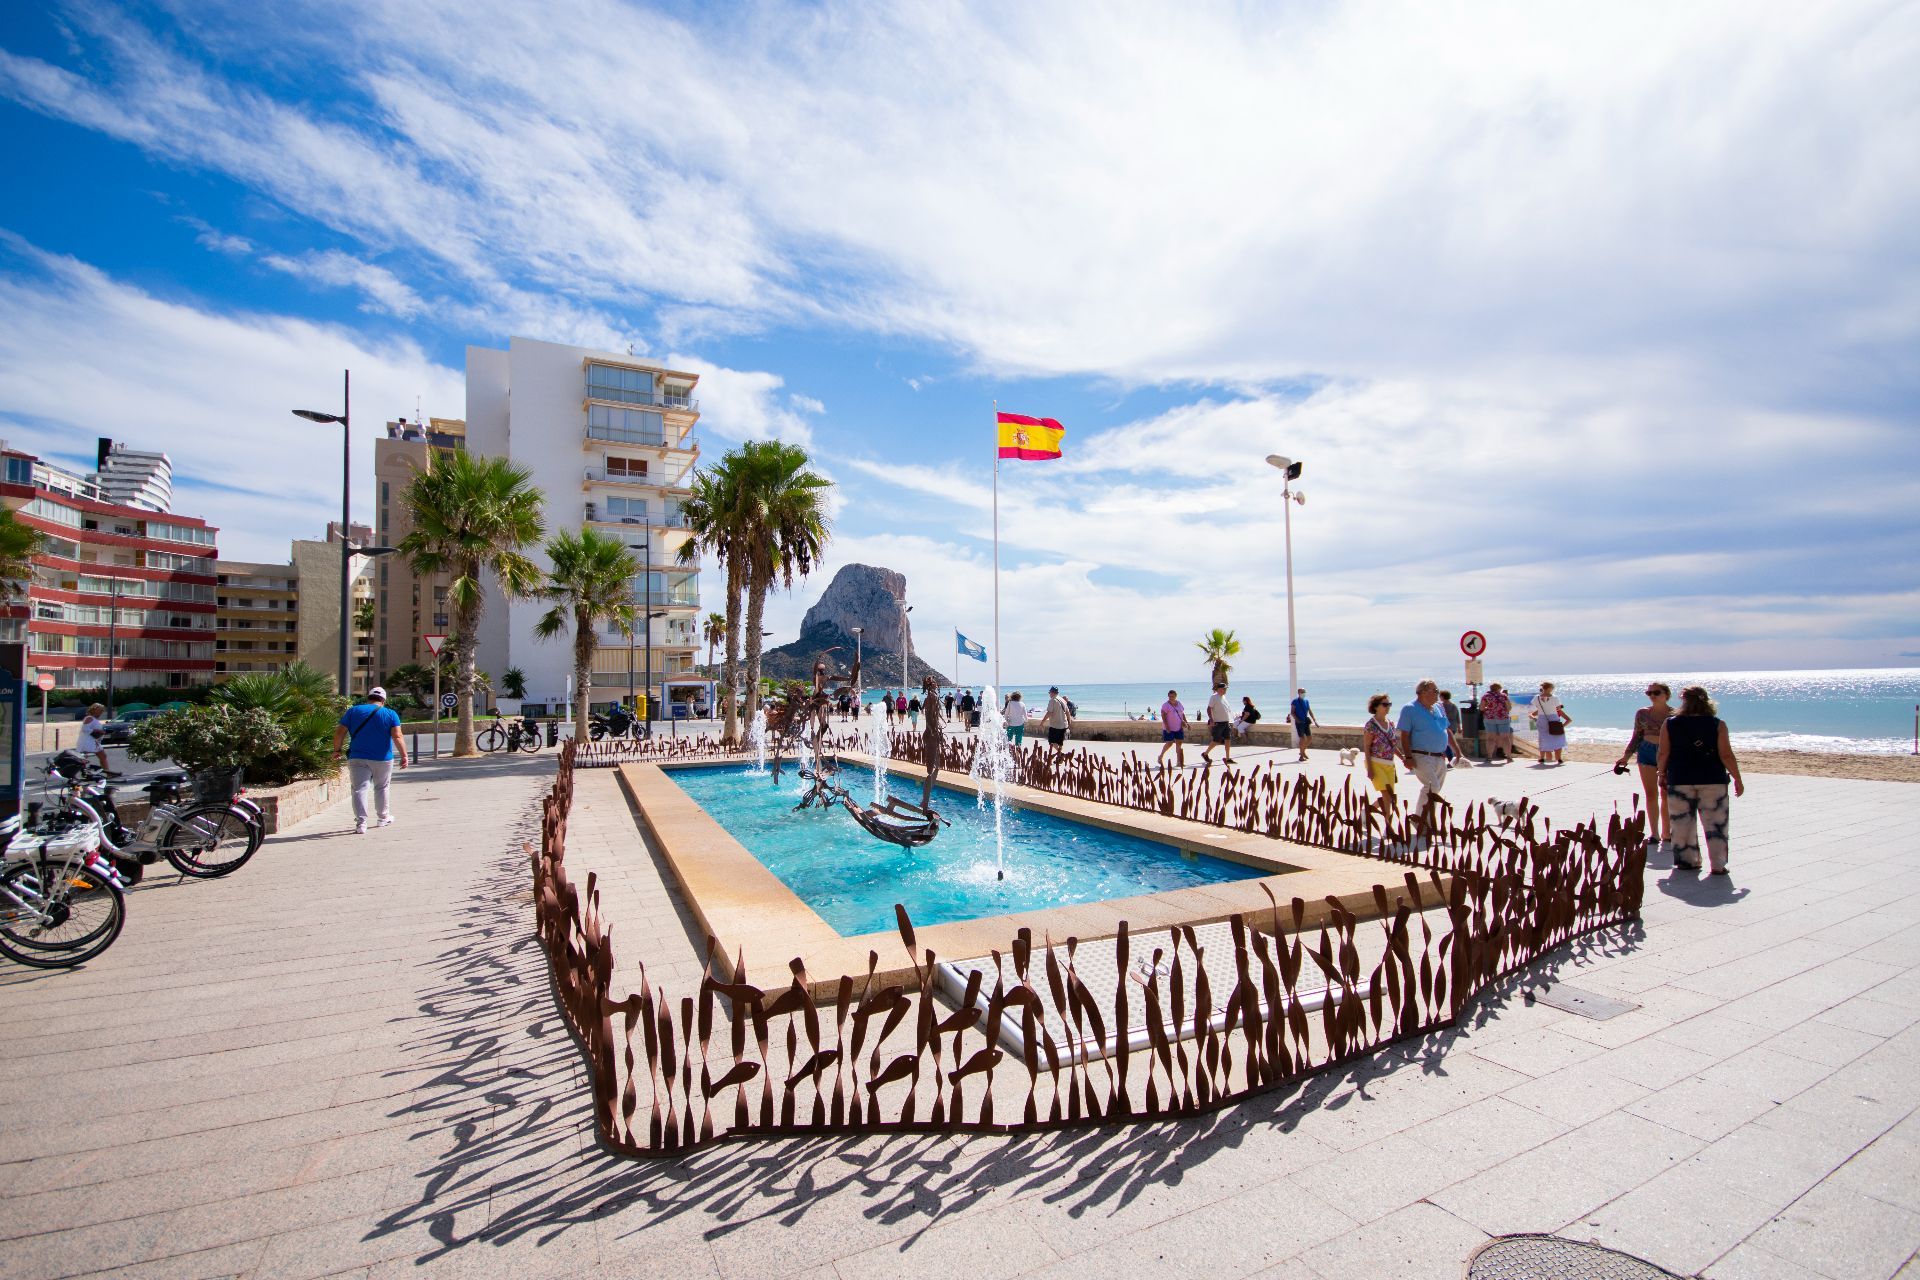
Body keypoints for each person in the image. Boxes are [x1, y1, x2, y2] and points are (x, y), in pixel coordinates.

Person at [1659, 686, 1745, 874]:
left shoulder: (1670, 723)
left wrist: (1662, 774)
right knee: (1716, 824)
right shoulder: (1717, 724)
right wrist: (1737, 778)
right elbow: (1726, 755)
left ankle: (1687, 860)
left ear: (1684, 702)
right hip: (1712, 778)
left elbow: (1664, 752)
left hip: (1680, 777)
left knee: (1682, 822)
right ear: (1707, 701)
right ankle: (1718, 864)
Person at [333, 686, 408, 835]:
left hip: (357, 756)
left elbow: (340, 732)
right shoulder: (390, 714)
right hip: (383, 758)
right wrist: (404, 755)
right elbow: (397, 736)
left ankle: (361, 824)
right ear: (384, 700)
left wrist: (337, 750)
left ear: (369, 698)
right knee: (381, 787)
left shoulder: (353, 711)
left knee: (359, 789)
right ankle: (383, 818)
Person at [1617, 682, 1675, 850]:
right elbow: (1637, 736)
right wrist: (1626, 756)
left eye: (1656, 692)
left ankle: (1667, 832)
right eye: (1649, 693)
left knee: (1666, 794)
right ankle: (1654, 833)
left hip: (1667, 754)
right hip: (1646, 751)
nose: (1652, 696)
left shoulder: (1675, 715)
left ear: (1666, 694)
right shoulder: (1642, 713)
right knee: (1651, 794)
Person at [1397, 679, 1469, 815]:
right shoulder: (1409, 709)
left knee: (1435, 791)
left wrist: (1457, 751)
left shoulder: (1438, 707)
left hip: (1439, 756)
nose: (1437, 693)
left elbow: (1446, 730)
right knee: (1432, 787)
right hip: (1421, 755)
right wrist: (1408, 757)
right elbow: (1404, 735)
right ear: (1423, 692)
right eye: (1435, 691)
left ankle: (1427, 821)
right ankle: (1419, 819)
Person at [1360, 693, 1400, 821]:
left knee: (1389, 796)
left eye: (1389, 704)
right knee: (1386, 794)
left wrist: (1403, 757)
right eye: (1385, 704)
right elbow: (1366, 746)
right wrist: (1370, 768)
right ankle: (1388, 826)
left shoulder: (1391, 724)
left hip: (1389, 764)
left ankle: (1366, 812)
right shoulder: (1371, 725)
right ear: (1376, 707)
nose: (1388, 707)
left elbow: (1393, 745)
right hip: (1375, 762)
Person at [1530, 681, 1570, 764]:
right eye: (1552, 688)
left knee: (1543, 738)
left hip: (1541, 719)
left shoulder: (1536, 698)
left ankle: (1541, 758)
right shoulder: (1555, 698)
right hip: (1553, 718)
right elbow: (1558, 708)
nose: (1553, 690)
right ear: (1549, 688)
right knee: (1557, 738)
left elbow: (1537, 707)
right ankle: (1558, 758)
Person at [77, 703, 117, 776]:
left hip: (94, 742)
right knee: (83, 758)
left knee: (102, 756)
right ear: (94, 710)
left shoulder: (93, 719)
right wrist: (98, 731)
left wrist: (101, 732)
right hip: (88, 741)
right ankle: (85, 773)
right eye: (100, 710)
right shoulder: (89, 718)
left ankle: (108, 773)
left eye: (102, 711)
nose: (101, 712)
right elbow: (85, 729)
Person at [1200, 683, 1234, 765]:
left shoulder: (1223, 697)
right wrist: (1211, 719)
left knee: (1228, 739)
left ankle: (1228, 758)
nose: (1225, 690)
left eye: (1226, 689)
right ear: (1218, 689)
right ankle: (1205, 754)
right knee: (1216, 740)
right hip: (1218, 722)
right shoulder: (1214, 697)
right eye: (1223, 688)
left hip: (1226, 722)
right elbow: (1209, 709)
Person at [1480, 682, 1514, 762]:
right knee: (1505, 738)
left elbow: (1481, 708)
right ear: (1499, 688)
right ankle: (1509, 757)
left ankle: (1489, 756)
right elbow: (1509, 708)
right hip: (1503, 718)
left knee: (1490, 738)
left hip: (1489, 718)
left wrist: (1488, 708)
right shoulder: (1503, 696)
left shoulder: (1486, 696)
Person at [1157, 690, 1187, 767]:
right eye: (1170, 696)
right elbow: (1163, 716)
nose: (1171, 698)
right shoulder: (1165, 705)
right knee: (1169, 743)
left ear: (1176, 696)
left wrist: (1186, 722)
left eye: (1173, 696)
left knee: (1179, 744)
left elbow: (1182, 714)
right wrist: (1167, 726)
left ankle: (1179, 762)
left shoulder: (1179, 703)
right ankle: (1160, 756)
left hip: (1179, 727)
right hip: (1169, 728)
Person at [1288, 688, 1319, 762]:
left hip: (1306, 721)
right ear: (1299, 693)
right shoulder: (1295, 701)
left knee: (1310, 738)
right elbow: (1292, 712)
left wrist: (1315, 721)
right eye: (1302, 692)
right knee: (1302, 739)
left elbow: (1310, 711)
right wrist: (1297, 720)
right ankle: (1301, 756)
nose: (1304, 693)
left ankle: (1302, 751)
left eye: (1304, 692)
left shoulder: (1306, 701)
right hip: (1299, 723)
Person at [1043, 686, 1072, 757]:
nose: (1049, 694)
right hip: (1064, 724)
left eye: (1049, 692)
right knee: (1060, 742)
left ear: (1052, 693)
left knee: (1051, 742)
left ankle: (1061, 755)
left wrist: (1042, 722)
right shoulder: (1062, 699)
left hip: (1055, 725)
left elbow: (1049, 713)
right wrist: (1069, 722)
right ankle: (1060, 757)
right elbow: (1068, 712)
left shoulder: (1052, 700)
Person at [1439, 690, 1462, 761]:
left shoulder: (1440, 706)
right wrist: (1459, 728)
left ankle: (1451, 759)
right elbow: (1457, 717)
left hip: (1445, 727)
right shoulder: (1454, 705)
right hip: (1453, 727)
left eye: (1440, 696)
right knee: (1448, 743)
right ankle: (1448, 759)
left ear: (1442, 697)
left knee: (1446, 744)